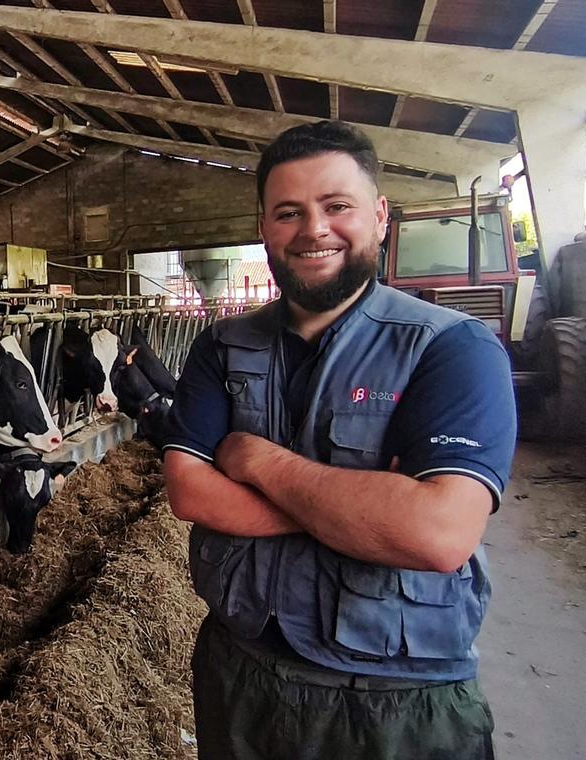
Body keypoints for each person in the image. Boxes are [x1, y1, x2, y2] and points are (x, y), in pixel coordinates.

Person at [163, 120, 516, 759]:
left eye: (337, 206)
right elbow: (189, 492)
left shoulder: (453, 348)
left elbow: (437, 534)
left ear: (379, 215)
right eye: (289, 213)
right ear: (265, 227)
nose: (314, 229)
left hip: (398, 700)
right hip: (239, 672)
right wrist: (367, 508)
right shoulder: (221, 346)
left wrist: (258, 462)